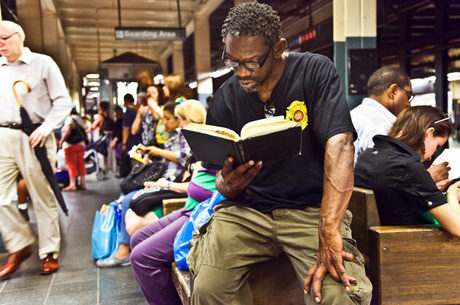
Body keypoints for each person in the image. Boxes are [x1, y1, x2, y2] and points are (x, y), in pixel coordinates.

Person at [187, 3, 372, 305]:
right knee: (208, 289)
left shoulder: (314, 71)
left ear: (278, 48)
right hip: (245, 213)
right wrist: (226, 185)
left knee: (342, 294)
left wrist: (328, 228)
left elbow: (341, 146)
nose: (241, 72)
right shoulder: (225, 98)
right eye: (233, 62)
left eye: (251, 62)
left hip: (309, 211)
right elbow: (216, 178)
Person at [0, 20, 73, 279]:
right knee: (1, 195)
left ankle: (49, 251)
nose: (1, 44)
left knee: (42, 195)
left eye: (5, 38)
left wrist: (48, 128)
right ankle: (19, 244)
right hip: (3, 135)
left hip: (35, 136)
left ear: (20, 36)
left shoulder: (43, 63)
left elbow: (63, 102)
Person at [96, 102, 191, 268]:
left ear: (184, 119)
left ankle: (124, 249)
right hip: (168, 182)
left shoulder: (186, 137)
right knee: (124, 197)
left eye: (169, 119)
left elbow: (183, 159)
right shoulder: (175, 135)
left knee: (127, 200)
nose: (165, 122)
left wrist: (158, 154)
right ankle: (124, 246)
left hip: (172, 184)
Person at [355, 106, 460, 234]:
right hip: (410, 244)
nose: (431, 156)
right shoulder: (408, 166)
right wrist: (452, 193)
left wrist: (428, 188)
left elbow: (397, 193)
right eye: (437, 146)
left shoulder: (368, 155)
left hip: (376, 241)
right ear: (429, 133)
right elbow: (457, 228)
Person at [350, 66, 451, 183]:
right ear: (393, 91)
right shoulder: (383, 127)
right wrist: (427, 178)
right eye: (408, 96)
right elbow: (388, 181)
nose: (408, 104)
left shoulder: (354, 115)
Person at [59, 108, 87, 191]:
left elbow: (67, 131)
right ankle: (82, 183)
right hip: (81, 144)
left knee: (71, 165)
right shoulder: (79, 119)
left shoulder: (69, 119)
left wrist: (61, 141)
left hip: (70, 145)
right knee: (81, 164)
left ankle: (73, 184)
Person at [120, 93, 143, 177]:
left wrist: (124, 143)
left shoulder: (128, 113)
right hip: (143, 141)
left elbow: (126, 129)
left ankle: (136, 181)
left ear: (126, 101)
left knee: (135, 165)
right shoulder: (140, 110)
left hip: (132, 142)